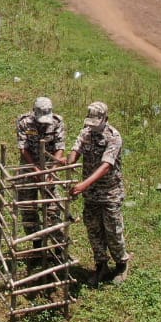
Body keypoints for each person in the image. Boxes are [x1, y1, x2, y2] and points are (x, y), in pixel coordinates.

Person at [68, 101, 131, 285]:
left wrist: (82, 185)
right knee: (94, 229)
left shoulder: (114, 137)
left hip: (110, 192)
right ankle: (101, 264)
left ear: (106, 119)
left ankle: (121, 264)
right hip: (91, 194)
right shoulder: (86, 132)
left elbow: (106, 166)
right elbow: (75, 151)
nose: (93, 127)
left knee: (113, 229)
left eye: (97, 122)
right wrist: (70, 162)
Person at [15, 97, 67, 249]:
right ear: (34, 112)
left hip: (50, 169)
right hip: (28, 169)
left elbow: (60, 147)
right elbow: (23, 148)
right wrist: (35, 169)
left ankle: (58, 247)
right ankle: (37, 243)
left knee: (53, 208)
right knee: (27, 207)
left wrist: (51, 170)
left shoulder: (57, 122)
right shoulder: (24, 122)